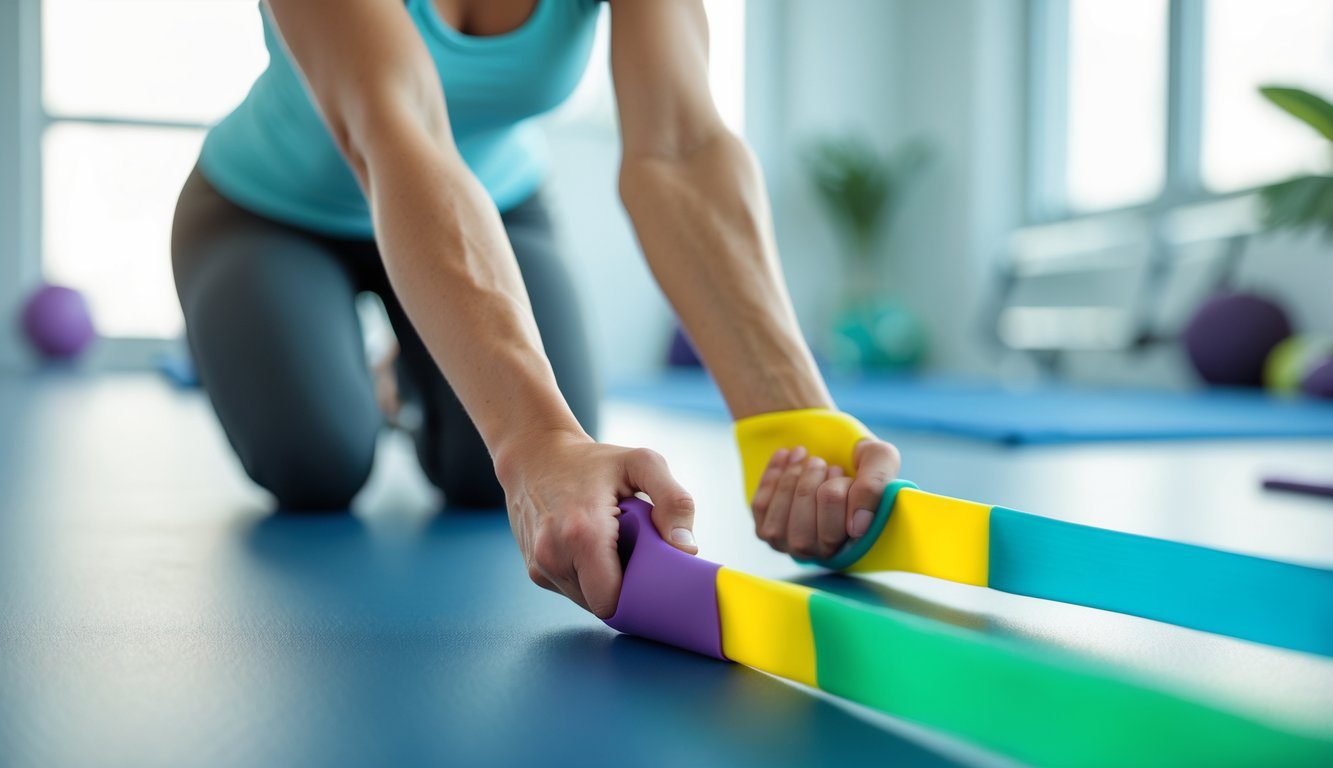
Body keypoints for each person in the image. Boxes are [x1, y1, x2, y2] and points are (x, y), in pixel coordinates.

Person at [172, 0, 901, 618]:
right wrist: (536, 439)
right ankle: (352, 359)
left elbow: (678, 146)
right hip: (265, 214)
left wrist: (790, 419)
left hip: (493, 204)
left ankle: (410, 364)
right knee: (318, 467)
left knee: (482, 484)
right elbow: (398, 130)